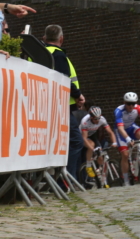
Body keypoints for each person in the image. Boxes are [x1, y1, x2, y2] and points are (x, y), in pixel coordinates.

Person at [43, 25, 85, 180]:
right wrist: (78, 95)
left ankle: (60, 180)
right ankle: (66, 180)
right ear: (61, 39)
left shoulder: (38, 53)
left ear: (44, 38)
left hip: (46, 105)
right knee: (75, 142)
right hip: (61, 106)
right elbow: (63, 79)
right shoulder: (59, 55)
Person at [114, 92, 140, 186]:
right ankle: (126, 178)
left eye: (133, 104)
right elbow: (120, 128)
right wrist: (127, 139)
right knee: (125, 155)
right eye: (128, 103)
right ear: (124, 102)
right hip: (121, 131)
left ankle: (138, 155)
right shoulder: (119, 111)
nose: (131, 106)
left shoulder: (139, 108)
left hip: (131, 127)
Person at [79, 106, 117, 179]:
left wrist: (114, 142)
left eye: (99, 118)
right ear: (91, 117)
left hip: (92, 134)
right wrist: (92, 149)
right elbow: (84, 138)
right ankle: (88, 166)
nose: (97, 120)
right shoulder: (85, 121)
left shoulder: (102, 119)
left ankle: (102, 177)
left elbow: (110, 132)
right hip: (82, 135)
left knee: (100, 153)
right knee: (92, 145)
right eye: (95, 119)